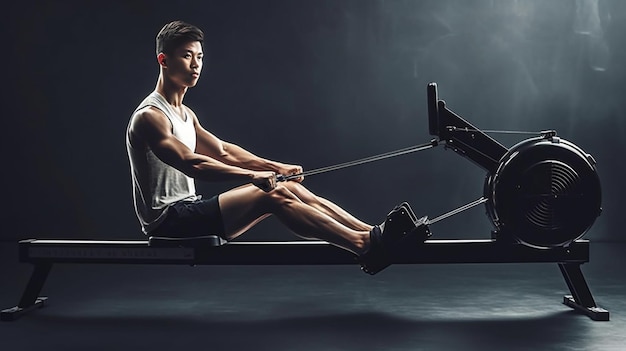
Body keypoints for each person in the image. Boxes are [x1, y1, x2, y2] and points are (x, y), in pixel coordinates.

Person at [126, 20, 421, 274]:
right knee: (274, 195)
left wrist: (274, 167)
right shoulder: (151, 116)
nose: (195, 65)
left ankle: (371, 232)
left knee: (289, 186)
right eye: (186, 56)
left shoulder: (186, 114)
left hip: (189, 210)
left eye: (200, 57)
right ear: (163, 60)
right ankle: (363, 246)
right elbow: (192, 162)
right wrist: (252, 177)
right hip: (169, 222)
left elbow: (223, 151)